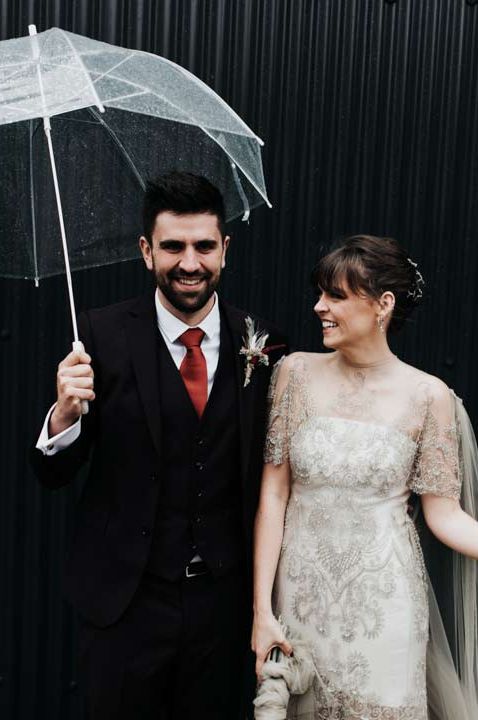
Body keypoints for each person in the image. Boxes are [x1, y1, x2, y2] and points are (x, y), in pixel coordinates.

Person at [31, 172, 287, 720]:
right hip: (125, 603)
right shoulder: (98, 335)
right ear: (147, 251)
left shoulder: (263, 341)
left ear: (226, 250)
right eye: (173, 246)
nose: (189, 263)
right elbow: (53, 475)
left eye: (203, 246)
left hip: (222, 605)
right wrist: (64, 416)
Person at [252, 235, 478, 719]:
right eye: (319, 293)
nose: (319, 307)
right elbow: (273, 496)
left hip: (385, 605)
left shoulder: (428, 396)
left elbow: (446, 517)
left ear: (383, 305)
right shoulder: (294, 373)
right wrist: (262, 611)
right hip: (301, 601)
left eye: (335, 295)